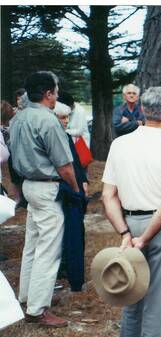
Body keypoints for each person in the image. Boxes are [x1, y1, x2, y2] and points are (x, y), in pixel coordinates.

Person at [101, 86, 161, 337]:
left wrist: (126, 233)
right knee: (157, 302)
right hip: (160, 228)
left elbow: (108, 196)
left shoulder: (119, 144)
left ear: (141, 109)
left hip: (130, 222)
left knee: (131, 297)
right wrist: (145, 238)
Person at [9, 71, 80, 327]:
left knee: (33, 243)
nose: (57, 95)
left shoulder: (18, 118)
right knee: (48, 250)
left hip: (28, 184)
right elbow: (64, 166)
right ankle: (38, 309)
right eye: (56, 91)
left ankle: (27, 296)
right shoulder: (48, 121)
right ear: (49, 94)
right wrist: (76, 190)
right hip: (47, 187)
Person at [53, 101, 88, 292]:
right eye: (62, 117)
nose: (66, 121)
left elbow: (76, 164)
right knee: (68, 232)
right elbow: (65, 167)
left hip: (74, 187)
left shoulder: (65, 136)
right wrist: (76, 189)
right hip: (66, 190)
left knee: (76, 231)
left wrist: (83, 182)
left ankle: (71, 272)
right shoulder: (56, 136)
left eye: (67, 117)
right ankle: (70, 275)